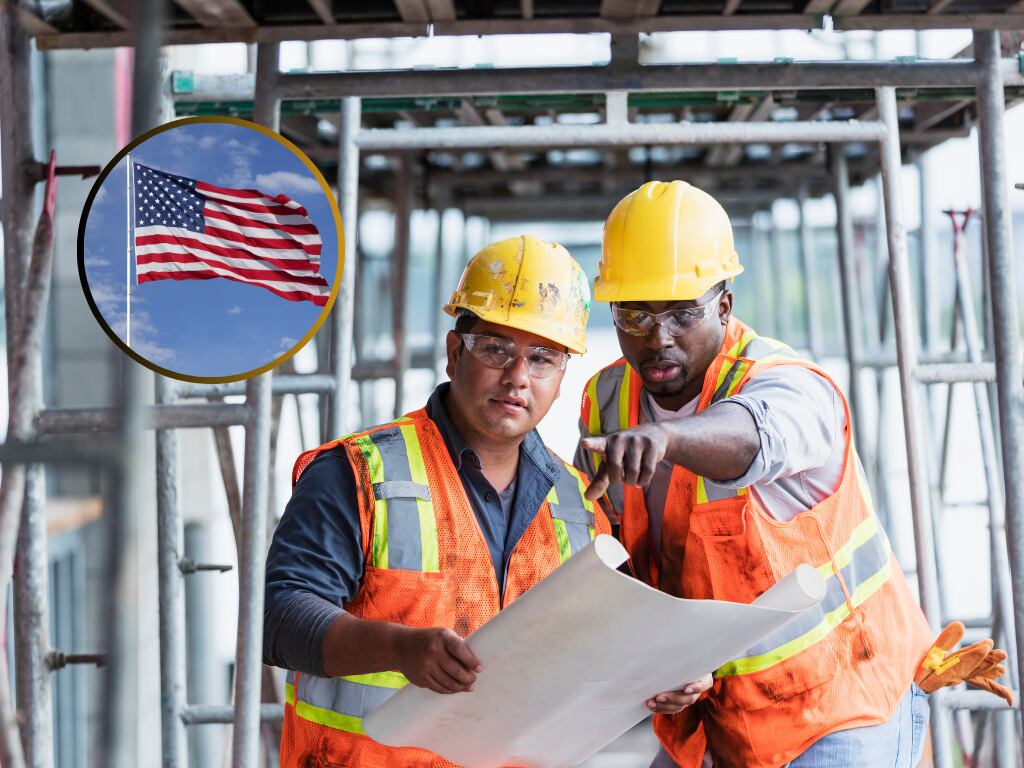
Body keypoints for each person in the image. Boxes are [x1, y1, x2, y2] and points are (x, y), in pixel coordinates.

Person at [574, 180, 939, 768]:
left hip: (840, 699)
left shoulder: (789, 383)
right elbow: (608, 554)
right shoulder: (609, 398)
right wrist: (657, 659)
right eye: (635, 314)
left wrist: (666, 438)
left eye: (682, 313)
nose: (658, 338)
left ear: (724, 303)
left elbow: (754, 436)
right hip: (718, 707)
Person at [264, 235, 611, 767]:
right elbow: (280, 620)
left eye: (542, 358)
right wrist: (398, 650)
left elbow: (599, 649)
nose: (518, 376)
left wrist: (652, 681)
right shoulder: (357, 474)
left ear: (561, 378)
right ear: (454, 352)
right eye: (496, 349)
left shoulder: (579, 505)